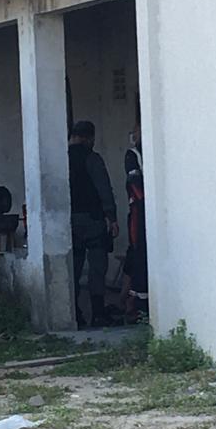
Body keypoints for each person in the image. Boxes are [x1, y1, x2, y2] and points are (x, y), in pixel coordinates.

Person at [68, 120, 118, 328]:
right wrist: (112, 217)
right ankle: (98, 313)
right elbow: (104, 189)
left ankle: (75, 314)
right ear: (89, 138)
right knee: (97, 267)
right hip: (93, 220)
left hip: (70, 221)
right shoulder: (92, 158)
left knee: (74, 268)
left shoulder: (63, 158)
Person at [123, 121, 148, 322]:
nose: (134, 135)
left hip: (148, 210)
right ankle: (133, 303)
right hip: (139, 211)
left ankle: (137, 301)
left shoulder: (149, 150)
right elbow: (134, 184)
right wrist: (145, 201)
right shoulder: (133, 155)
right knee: (137, 251)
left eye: (136, 132)